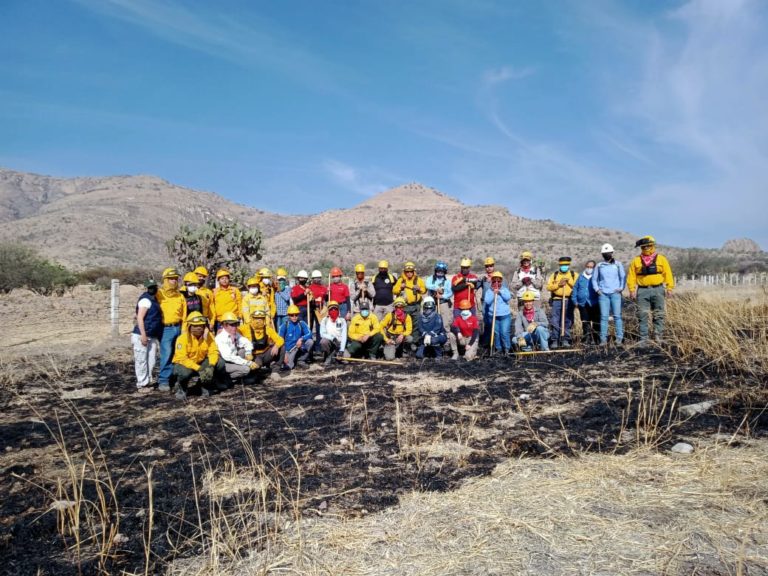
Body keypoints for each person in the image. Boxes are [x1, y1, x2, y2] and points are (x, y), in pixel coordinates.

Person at [627, 235, 675, 344]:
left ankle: (659, 336)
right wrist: (631, 290)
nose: (646, 248)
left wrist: (669, 288)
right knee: (641, 314)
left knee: (658, 313)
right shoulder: (636, 261)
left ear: (653, 246)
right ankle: (643, 338)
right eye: (643, 247)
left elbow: (668, 274)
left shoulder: (662, 259)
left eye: (648, 246)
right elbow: (631, 276)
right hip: (642, 291)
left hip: (658, 289)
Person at [171, 311, 225, 400]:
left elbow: (213, 352)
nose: (199, 328)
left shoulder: (209, 336)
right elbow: (182, 358)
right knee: (184, 373)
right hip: (184, 364)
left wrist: (211, 366)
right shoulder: (182, 339)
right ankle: (181, 387)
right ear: (189, 326)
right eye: (195, 326)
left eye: (201, 325)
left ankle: (205, 385)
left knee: (220, 363)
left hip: (200, 362)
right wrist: (199, 368)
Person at [156, 267, 186, 392]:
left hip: (178, 327)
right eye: (171, 279)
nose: (174, 281)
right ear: (165, 280)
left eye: (175, 279)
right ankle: (163, 381)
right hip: (166, 329)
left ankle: (175, 378)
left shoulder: (180, 296)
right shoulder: (159, 294)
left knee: (178, 354)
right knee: (166, 355)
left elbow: (184, 314)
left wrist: (184, 330)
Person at [131, 278, 162, 393]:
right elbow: (140, 317)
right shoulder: (145, 300)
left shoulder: (154, 300)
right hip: (143, 334)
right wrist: (143, 334)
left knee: (151, 360)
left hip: (152, 334)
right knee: (141, 360)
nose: (152, 289)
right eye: (150, 287)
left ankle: (148, 381)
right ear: (146, 288)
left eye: (154, 287)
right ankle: (142, 384)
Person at [592, 243, 626, 347]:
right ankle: (603, 340)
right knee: (604, 317)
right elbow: (594, 279)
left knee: (617, 316)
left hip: (615, 294)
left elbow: (623, 277)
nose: (606, 254)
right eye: (604, 253)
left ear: (612, 253)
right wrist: (597, 290)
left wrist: (621, 288)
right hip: (603, 295)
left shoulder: (618, 264)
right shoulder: (599, 265)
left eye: (608, 253)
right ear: (602, 254)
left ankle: (619, 338)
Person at [215, 311, 258, 386]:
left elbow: (247, 342)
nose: (235, 327)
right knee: (246, 369)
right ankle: (223, 378)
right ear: (224, 325)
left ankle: (239, 376)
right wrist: (248, 363)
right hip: (224, 363)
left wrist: (248, 352)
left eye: (236, 324)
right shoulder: (221, 338)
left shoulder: (234, 333)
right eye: (232, 325)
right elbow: (228, 357)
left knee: (244, 351)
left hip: (233, 358)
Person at [239, 306, 285, 373]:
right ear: (252, 319)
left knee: (282, 347)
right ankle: (257, 371)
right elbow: (234, 330)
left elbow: (280, 339)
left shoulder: (267, 329)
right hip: (254, 356)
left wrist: (276, 346)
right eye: (256, 318)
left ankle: (275, 371)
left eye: (261, 318)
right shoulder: (245, 328)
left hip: (266, 354)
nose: (259, 320)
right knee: (253, 374)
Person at [393, 262, 426, 347]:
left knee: (416, 325)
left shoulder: (418, 280)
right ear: (404, 271)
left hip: (416, 306)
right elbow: (394, 290)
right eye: (407, 271)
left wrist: (419, 288)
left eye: (411, 271)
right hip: (405, 307)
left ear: (413, 271)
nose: (409, 273)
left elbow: (424, 290)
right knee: (405, 325)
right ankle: (405, 344)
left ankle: (414, 343)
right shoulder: (401, 280)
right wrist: (400, 287)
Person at [546, 257, 577, 349]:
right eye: (562, 265)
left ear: (569, 265)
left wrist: (568, 281)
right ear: (559, 265)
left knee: (568, 319)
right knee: (555, 320)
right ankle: (555, 339)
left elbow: (578, 286)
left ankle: (566, 339)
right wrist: (559, 284)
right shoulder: (554, 275)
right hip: (557, 300)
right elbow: (549, 287)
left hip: (569, 300)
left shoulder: (573, 275)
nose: (564, 266)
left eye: (566, 265)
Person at [477, 257, 505, 348]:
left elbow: (505, 289)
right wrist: (479, 279)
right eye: (487, 266)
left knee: (496, 322)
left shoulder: (499, 277)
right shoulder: (483, 278)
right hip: (485, 303)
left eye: (491, 266)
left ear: (494, 266)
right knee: (487, 323)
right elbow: (475, 287)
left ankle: (497, 342)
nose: (489, 268)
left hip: (497, 302)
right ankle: (487, 341)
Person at [483, 271, 513, 355]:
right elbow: (487, 301)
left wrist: (499, 292)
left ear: (501, 281)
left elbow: (507, 298)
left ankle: (506, 348)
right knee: (496, 333)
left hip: (504, 316)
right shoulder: (489, 291)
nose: (496, 283)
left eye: (498, 281)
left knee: (504, 332)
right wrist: (494, 293)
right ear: (492, 281)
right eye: (494, 281)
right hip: (494, 316)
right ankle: (498, 348)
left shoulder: (505, 289)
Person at [571, 260, 600, 345]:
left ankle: (596, 339)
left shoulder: (596, 278)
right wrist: (574, 300)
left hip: (594, 303)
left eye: (591, 267)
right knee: (585, 322)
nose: (589, 268)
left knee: (596, 322)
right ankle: (587, 338)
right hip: (583, 304)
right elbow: (575, 289)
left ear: (594, 268)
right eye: (588, 266)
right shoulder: (580, 277)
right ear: (585, 266)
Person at [278, 304, 314, 370]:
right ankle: (292, 361)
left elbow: (310, 333)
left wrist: (301, 339)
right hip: (288, 350)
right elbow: (279, 340)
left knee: (310, 341)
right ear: (288, 315)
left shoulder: (301, 323)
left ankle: (301, 360)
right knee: (289, 366)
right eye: (292, 315)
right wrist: (284, 354)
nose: (294, 317)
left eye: (296, 315)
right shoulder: (284, 325)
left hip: (299, 346)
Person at [425, 261, 454, 335]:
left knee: (445, 322)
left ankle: (446, 340)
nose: (440, 272)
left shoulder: (447, 281)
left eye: (442, 271)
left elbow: (450, 292)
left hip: (443, 303)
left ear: (445, 272)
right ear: (436, 271)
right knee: (431, 321)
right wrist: (436, 288)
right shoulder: (430, 279)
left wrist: (442, 296)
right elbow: (427, 285)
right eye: (438, 270)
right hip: (432, 304)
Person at [319, 300, 348, 366]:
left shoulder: (342, 320)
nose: (333, 310)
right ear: (328, 311)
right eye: (331, 309)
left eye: (335, 309)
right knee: (323, 342)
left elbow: (344, 336)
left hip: (339, 344)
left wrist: (341, 350)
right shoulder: (325, 320)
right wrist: (333, 338)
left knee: (347, 358)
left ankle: (336, 354)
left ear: (338, 310)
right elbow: (322, 334)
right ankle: (328, 356)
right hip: (330, 342)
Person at [308, 269, 328, 343]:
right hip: (311, 309)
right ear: (312, 279)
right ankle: (309, 344)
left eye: (318, 278)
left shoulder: (324, 288)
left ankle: (318, 345)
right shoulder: (309, 288)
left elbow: (326, 299)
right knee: (309, 326)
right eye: (315, 278)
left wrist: (327, 294)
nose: (317, 279)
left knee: (319, 327)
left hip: (320, 309)